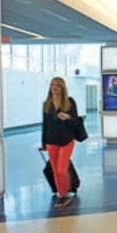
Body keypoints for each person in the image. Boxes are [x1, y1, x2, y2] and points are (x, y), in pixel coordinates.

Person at [40, 77, 79, 209]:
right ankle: (62, 194)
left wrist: (68, 118)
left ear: (62, 88)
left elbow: (76, 121)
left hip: (67, 139)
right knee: (56, 171)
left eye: (57, 85)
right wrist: (44, 142)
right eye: (52, 85)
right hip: (52, 140)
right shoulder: (47, 104)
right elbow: (45, 125)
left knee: (62, 169)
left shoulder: (70, 102)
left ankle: (67, 189)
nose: (55, 88)